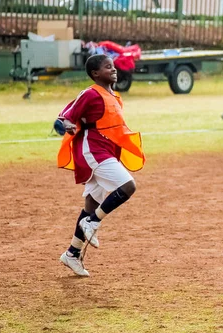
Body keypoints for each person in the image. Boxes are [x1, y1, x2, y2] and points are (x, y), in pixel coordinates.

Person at [57, 54, 145, 277]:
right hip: (93, 150)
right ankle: (93, 222)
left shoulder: (113, 95)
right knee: (128, 186)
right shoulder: (90, 93)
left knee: (91, 203)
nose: (113, 70)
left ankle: (72, 253)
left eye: (113, 67)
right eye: (108, 67)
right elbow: (66, 116)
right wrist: (67, 124)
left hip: (106, 151)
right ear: (95, 73)